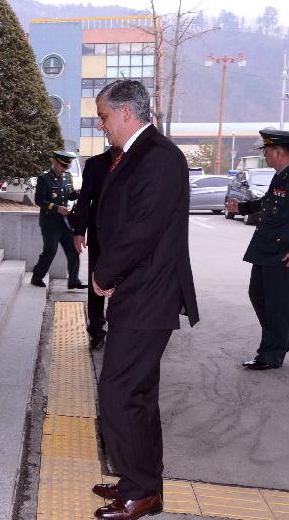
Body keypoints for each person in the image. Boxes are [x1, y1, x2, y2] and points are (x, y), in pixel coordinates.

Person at [89, 80, 199, 520]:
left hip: (148, 294)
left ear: (126, 113)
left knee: (119, 391)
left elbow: (141, 230)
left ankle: (141, 490)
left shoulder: (158, 157)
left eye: (103, 116)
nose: (102, 125)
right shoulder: (141, 153)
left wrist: (103, 274)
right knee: (138, 393)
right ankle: (141, 480)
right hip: (139, 288)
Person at [226, 129, 289, 371]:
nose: (265, 155)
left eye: (267, 151)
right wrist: (243, 207)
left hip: (284, 254)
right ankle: (286, 338)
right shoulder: (281, 176)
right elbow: (269, 203)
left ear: (278, 152)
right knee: (258, 295)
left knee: (277, 305)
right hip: (267, 250)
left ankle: (270, 355)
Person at [72, 146, 121, 349]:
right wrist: (78, 231)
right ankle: (96, 330)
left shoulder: (138, 160)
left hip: (128, 238)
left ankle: (121, 328)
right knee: (97, 283)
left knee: (124, 284)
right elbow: (84, 201)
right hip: (99, 236)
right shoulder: (95, 164)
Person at [31, 151, 87, 290]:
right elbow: (39, 200)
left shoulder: (68, 177)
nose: (65, 169)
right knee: (50, 250)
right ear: (56, 162)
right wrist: (56, 208)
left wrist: (78, 193)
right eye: (63, 166)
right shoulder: (44, 179)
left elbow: (69, 195)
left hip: (65, 221)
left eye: (67, 166)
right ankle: (37, 277)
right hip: (50, 222)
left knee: (73, 250)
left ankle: (73, 280)